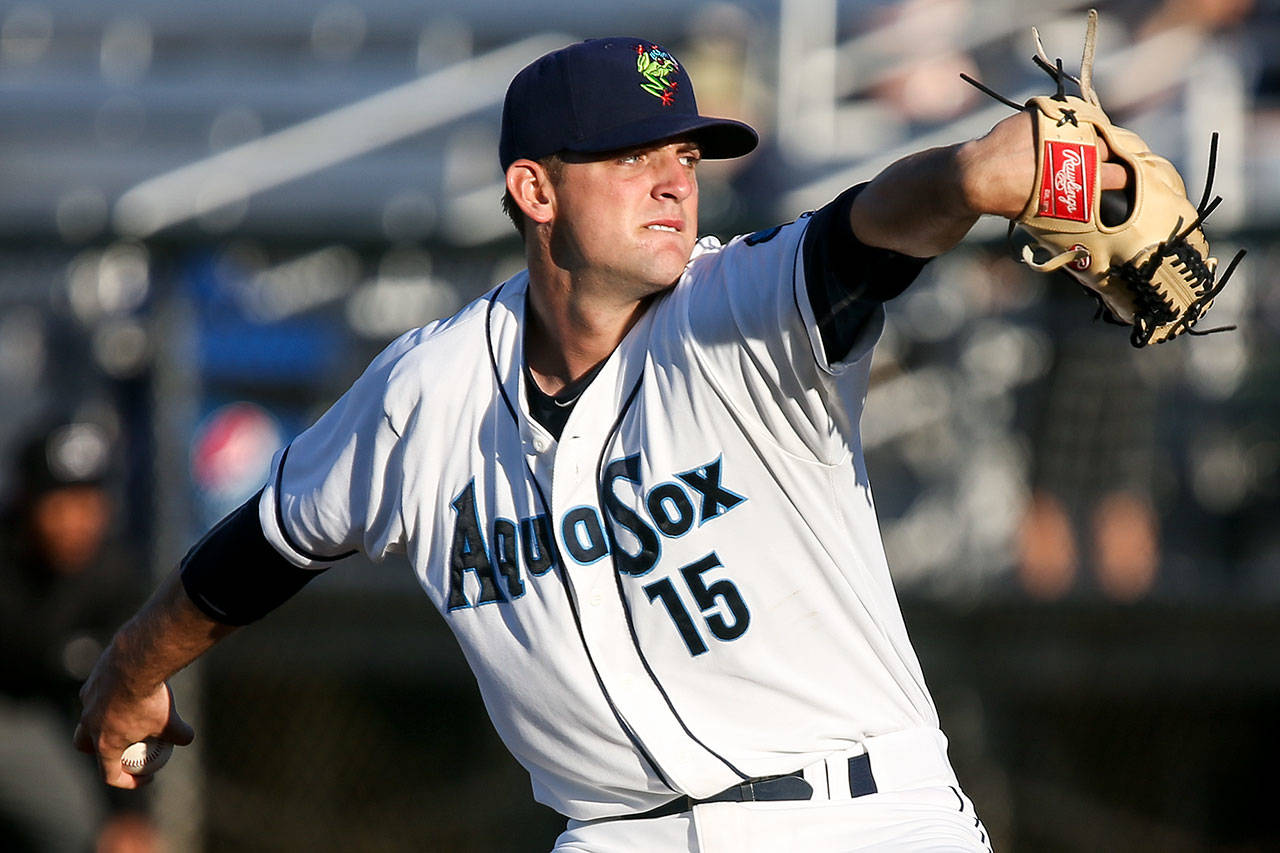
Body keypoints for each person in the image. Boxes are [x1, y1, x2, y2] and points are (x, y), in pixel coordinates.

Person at [75, 37, 1127, 850]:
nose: (676, 180)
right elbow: (262, 548)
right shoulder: (426, 392)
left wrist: (978, 174)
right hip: (612, 831)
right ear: (535, 190)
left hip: (858, 814)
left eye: (684, 155)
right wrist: (132, 663)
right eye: (632, 157)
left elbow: (876, 226)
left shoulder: (737, 307)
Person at [0, 419, 158, 852]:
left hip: (61, 727)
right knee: (65, 815)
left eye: (90, 502)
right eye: (61, 502)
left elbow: (127, 703)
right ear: (25, 501)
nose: (77, 521)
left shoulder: (112, 579)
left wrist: (130, 816)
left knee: (93, 830)